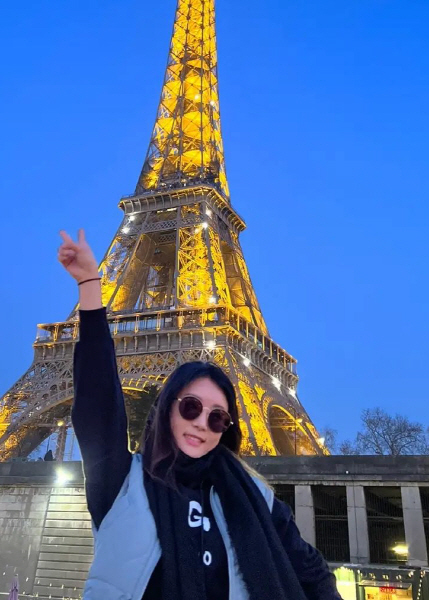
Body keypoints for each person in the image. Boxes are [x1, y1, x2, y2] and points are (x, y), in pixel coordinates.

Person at [58, 228, 342, 600]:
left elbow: (313, 572)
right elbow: (98, 405)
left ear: (226, 428)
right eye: (191, 407)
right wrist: (90, 287)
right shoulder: (122, 483)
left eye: (217, 417)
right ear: (168, 408)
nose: (200, 423)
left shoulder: (254, 497)